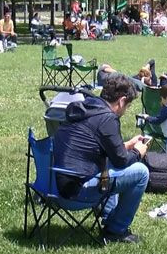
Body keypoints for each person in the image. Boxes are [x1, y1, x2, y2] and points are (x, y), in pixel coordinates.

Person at [53, 74, 150, 244]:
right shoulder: (107, 118)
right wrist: (137, 152)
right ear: (121, 101)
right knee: (141, 172)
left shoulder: (86, 109)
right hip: (76, 193)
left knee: (107, 162)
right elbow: (121, 162)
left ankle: (108, 215)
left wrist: (126, 145)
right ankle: (116, 230)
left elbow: (97, 147)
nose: (125, 111)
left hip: (54, 186)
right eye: (127, 106)